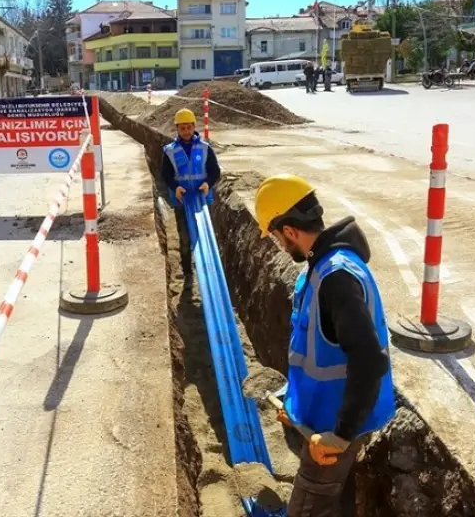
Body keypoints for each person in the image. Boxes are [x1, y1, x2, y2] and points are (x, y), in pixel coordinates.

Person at [253, 174, 395, 517]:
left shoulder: (336, 278)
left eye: (275, 235)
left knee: (307, 509)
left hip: (335, 429)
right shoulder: (322, 269)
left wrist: (341, 436)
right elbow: (319, 352)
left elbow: (369, 361)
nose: (278, 244)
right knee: (334, 501)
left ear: (289, 230)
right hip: (328, 417)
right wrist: (295, 404)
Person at [160, 108, 221, 280]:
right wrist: (175, 187)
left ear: (194, 127)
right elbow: (165, 175)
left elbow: (215, 171)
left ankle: (208, 270)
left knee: (206, 236)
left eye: (189, 127)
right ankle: (188, 272)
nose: (186, 131)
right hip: (182, 201)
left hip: (203, 200)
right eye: (182, 128)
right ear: (177, 129)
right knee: (185, 238)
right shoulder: (169, 151)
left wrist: (207, 183)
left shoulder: (205, 148)